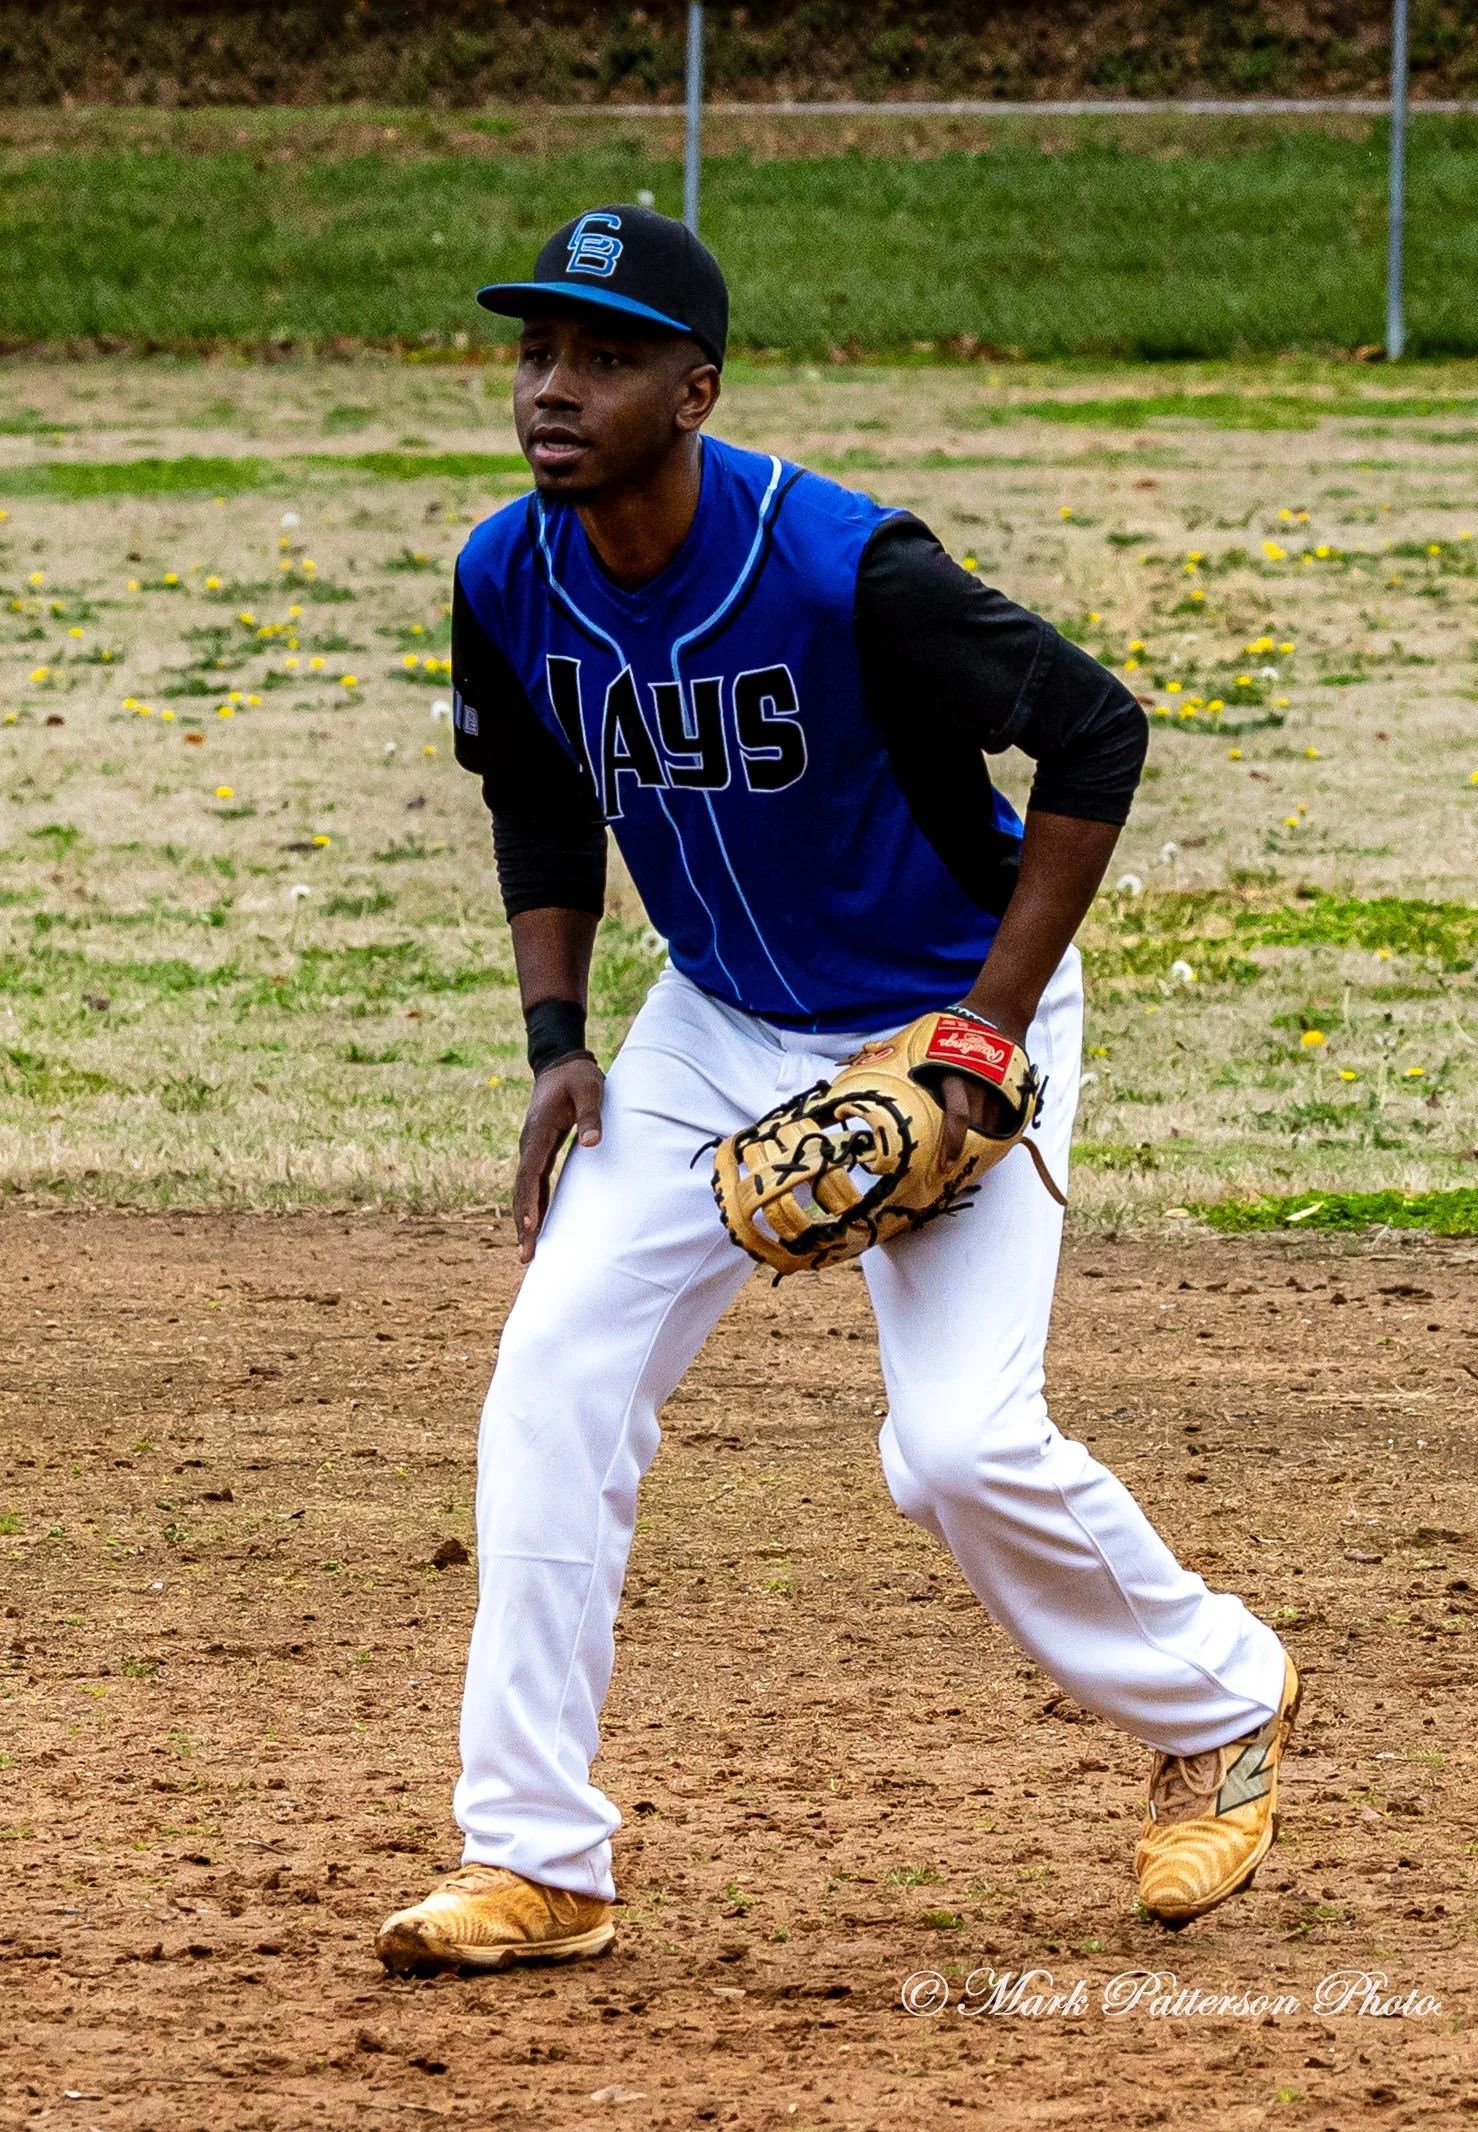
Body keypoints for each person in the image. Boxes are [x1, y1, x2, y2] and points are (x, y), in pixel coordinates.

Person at [375, 207, 1297, 1975]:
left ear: (694, 388)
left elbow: (1095, 733)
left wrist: (985, 1031)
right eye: (535, 352)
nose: (551, 388)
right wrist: (559, 1043)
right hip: (715, 1025)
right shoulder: (510, 576)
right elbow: (539, 800)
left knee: (952, 1448)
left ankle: (1223, 1698)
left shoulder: (843, 569)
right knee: (552, 1384)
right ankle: (538, 1860)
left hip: (950, 1012)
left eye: (603, 355)